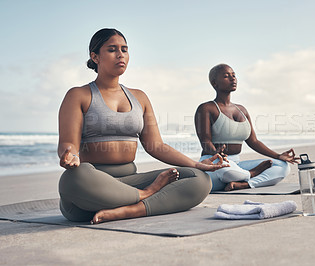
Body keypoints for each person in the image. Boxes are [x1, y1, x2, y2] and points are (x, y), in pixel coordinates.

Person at [58, 28, 227, 224]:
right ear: (95, 57)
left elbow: (156, 146)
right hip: (94, 187)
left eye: (124, 49)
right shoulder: (78, 95)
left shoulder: (139, 97)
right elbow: (68, 143)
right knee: (72, 178)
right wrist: (70, 155)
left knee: (199, 178)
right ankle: (146, 194)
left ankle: (130, 210)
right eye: (112, 49)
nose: (120, 55)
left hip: (130, 179)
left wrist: (197, 164)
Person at [194, 64, 298, 192]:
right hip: (214, 165)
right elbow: (205, 142)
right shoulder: (206, 108)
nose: (233, 79)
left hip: (237, 164)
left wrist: (278, 156)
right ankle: (251, 174)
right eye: (226, 76)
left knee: (282, 166)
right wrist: (216, 153)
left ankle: (244, 184)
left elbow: (254, 141)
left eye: (234, 75)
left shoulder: (242, 110)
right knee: (227, 170)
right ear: (215, 83)